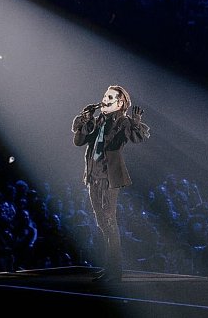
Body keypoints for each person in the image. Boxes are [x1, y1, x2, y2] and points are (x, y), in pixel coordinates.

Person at [72, 85, 149, 282]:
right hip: (93, 176)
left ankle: (115, 271)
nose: (104, 100)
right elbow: (79, 141)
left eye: (110, 97)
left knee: (109, 221)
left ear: (120, 103)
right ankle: (109, 268)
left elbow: (136, 137)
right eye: (105, 96)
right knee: (102, 223)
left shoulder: (122, 122)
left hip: (108, 177)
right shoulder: (98, 120)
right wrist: (87, 119)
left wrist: (135, 121)